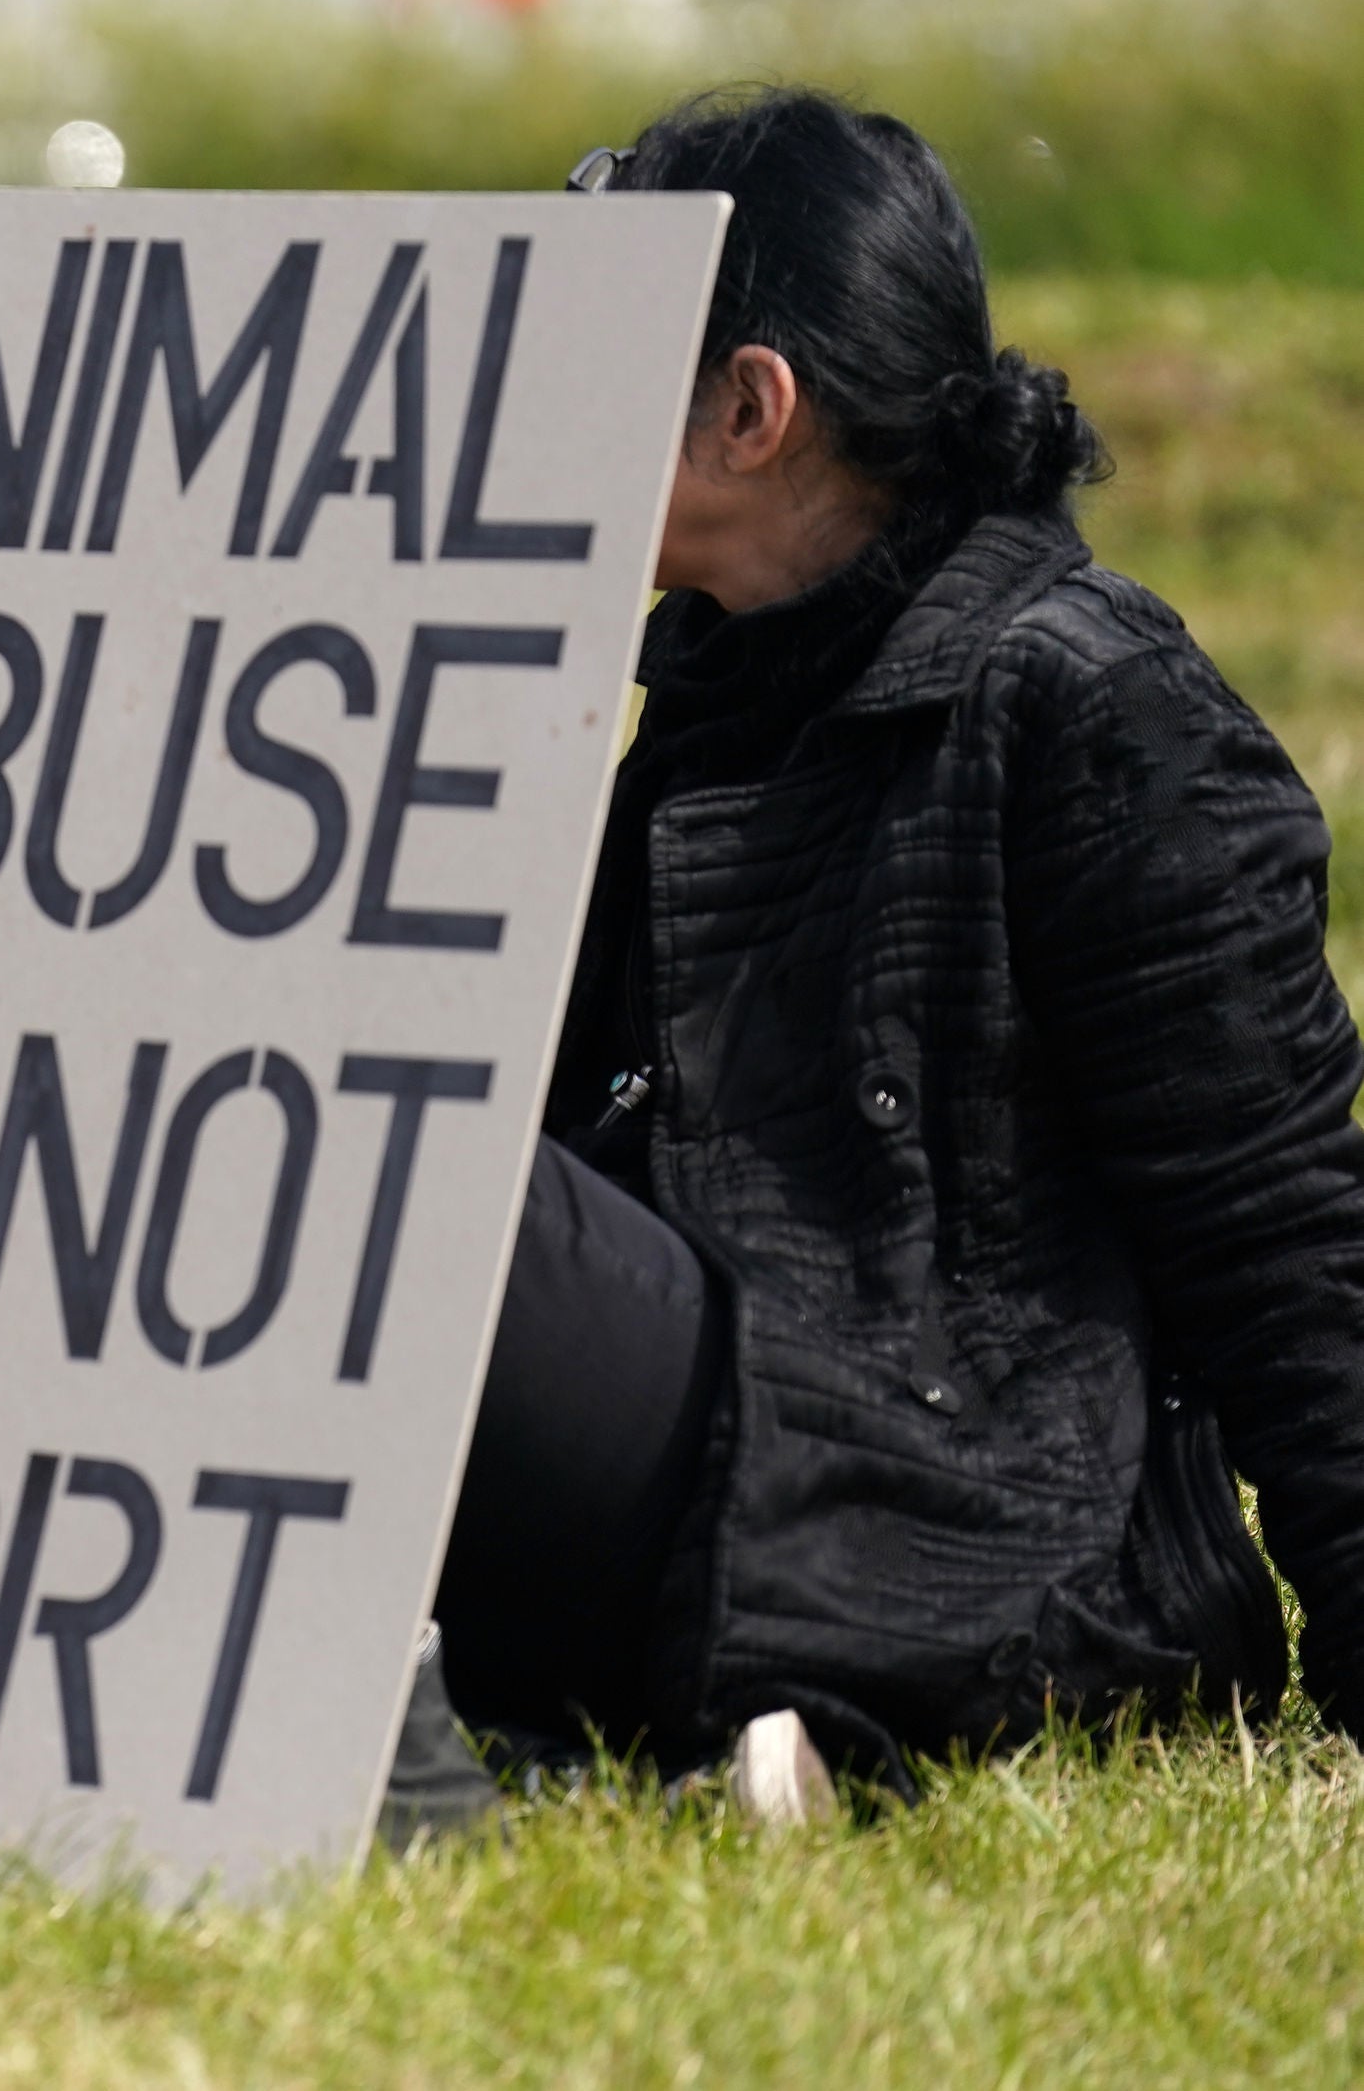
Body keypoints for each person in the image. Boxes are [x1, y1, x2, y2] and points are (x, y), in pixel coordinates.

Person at [403, 88, 1364, 1827]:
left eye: (584, 343)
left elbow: (1287, 1237)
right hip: (720, 1473)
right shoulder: (690, 699)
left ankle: (454, 1761)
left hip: (988, 1540)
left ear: (749, 408)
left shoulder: (1086, 696)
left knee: (391, 1150)